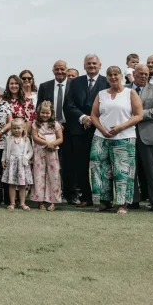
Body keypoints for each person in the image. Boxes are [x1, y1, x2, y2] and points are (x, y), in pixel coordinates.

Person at [90, 66, 143, 214]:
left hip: (124, 137)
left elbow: (139, 115)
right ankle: (104, 201)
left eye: (116, 74)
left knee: (123, 171)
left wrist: (120, 127)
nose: (113, 77)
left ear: (121, 76)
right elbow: (94, 115)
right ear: (107, 78)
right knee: (100, 169)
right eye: (110, 75)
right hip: (101, 137)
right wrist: (102, 130)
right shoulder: (101, 94)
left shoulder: (130, 93)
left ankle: (122, 204)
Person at [63, 54, 109, 207]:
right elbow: (69, 104)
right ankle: (86, 197)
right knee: (80, 166)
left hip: (99, 129)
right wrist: (83, 117)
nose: (92, 66)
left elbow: (109, 105)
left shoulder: (106, 81)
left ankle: (103, 198)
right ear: (84, 66)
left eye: (94, 63)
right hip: (79, 129)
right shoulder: (75, 82)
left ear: (100, 65)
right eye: (89, 63)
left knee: (101, 165)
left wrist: (94, 119)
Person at [132, 64, 153, 210]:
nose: (144, 76)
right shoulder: (124, 89)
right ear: (133, 74)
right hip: (127, 134)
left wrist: (139, 116)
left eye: (146, 74)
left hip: (150, 134)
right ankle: (132, 200)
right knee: (129, 170)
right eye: (140, 74)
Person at [36, 60, 71, 202]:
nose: (60, 72)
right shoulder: (45, 86)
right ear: (53, 71)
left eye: (62, 69)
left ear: (66, 70)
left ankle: (69, 194)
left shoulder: (73, 84)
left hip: (69, 128)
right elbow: (39, 107)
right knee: (46, 167)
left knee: (67, 163)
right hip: (47, 131)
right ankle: (44, 196)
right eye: (57, 69)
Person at [30, 101, 63, 211]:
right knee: (39, 175)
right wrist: (46, 143)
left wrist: (52, 144)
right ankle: (40, 201)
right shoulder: (35, 124)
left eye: (47, 113)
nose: (45, 115)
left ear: (51, 113)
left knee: (53, 175)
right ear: (39, 113)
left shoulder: (56, 124)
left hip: (52, 152)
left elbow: (60, 138)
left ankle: (53, 201)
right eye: (42, 113)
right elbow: (35, 137)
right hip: (39, 152)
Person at [1, 119, 33, 211]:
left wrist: (26, 158)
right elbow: (5, 150)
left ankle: (22, 203)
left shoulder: (26, 139)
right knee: (12, 184)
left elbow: (30, 151)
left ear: (23, 128)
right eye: (14, 128)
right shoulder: (9, 139)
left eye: (18, 128)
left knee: (22, 185)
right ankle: (12, 203)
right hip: (11, 163)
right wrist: (3, 160)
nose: (16, 130)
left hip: (22, 164)